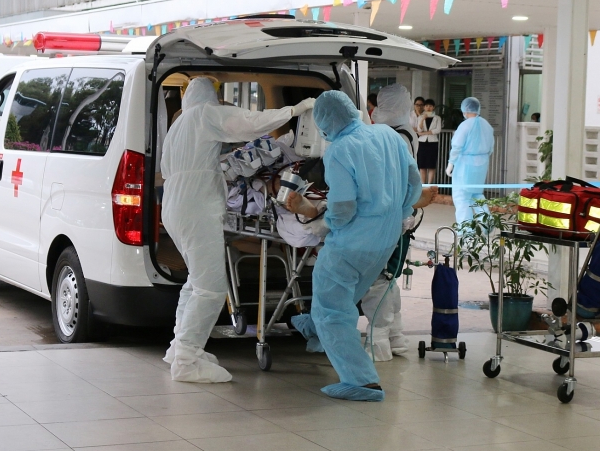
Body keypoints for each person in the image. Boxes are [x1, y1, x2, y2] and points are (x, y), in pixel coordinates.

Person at [160, 77, 315, 383]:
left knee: (195, 281)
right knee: (211, 289)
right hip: (196, 208)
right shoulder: (205, 114)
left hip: (174, 208)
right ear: (209, 97)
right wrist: (294, 110)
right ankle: (186, 360)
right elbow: (248, 123)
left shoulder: (178, 127)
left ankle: (180, 344)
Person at [286, 90, 421, 401]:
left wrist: (324, 224)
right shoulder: (389, 136)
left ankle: (361, 380)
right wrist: (400, 212)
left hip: (352, 243)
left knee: (332, 306)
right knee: (348, 295)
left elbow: (343, 206)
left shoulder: (340, 151)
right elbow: (414, 183)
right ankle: (314, 328)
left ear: (324, 123)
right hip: (386, 239)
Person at [358, 84, 415, 362]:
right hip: (399, 215)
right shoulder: (404, 132)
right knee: (389, 277)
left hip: (387, 217)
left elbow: (390, 180)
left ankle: (378, 339)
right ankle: (395, 335)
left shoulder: (387, 135)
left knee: (378, 278)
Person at [446, 97, 494, 226]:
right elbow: (491, 148)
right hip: (482, 165)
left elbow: (457, 146)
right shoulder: (486, 125)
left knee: (462, 198)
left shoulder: (465, 125)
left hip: (465, 165)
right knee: (477, 195)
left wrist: (451, 163)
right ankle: (487, 225)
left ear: (465, 110)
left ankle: (466, 231)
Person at [416, 99, 442, 185]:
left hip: (432, 142)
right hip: (422, 142)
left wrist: (423, 133)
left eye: (430, 106)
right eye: (426, 106)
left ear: (433, 107)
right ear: (424, 107)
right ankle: (423, 185)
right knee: (422, 165)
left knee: (431, 165)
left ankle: (430, 184)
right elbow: (419, 129)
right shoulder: (420, 117)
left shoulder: (437, 118)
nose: (428, 108)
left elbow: (437, 130)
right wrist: (422, 119)